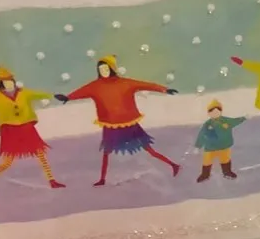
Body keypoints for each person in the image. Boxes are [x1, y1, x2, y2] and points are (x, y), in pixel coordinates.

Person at [56, 55, 180, 186]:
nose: (103, 71)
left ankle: (173, 165)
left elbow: (145, 85)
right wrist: (67, 98)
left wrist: (164, 89)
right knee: (106, 153)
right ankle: (102, 179)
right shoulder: (95, 86)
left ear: (111, 69)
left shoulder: (125, 83)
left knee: (149, 149)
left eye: (106, 68)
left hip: (129, 124)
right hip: (111, 125)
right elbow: (82, 91)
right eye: (101, 69)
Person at [0, 65, 65, 192]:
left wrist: (54, 96)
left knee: (40, 153)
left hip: (26, 127)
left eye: (10, 81)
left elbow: (39, 94)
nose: (9, 84)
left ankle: (52, 181)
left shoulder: (24, 92)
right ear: (1, 83)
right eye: (6, 81)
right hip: (10, 130)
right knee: (8, 160)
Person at [195, 100, 246, 182]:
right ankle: (205, 175)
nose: (215, 113)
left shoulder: (226, 121)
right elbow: (202, 135)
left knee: (225, 160)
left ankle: (227, 172)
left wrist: (244, 118)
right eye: (212, 112)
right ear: (209, 113)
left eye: (217, 111)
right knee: (207, 161)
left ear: (220, 112)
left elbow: (235, 121)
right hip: (210, 148)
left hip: (224, 146)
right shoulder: (207, 124)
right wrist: (198, 146)